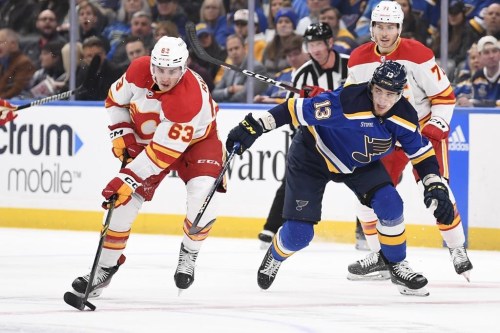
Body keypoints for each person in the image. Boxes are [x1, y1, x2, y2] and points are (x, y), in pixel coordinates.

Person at [226, 61, 455, 297]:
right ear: (371, 87)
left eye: (390, 94)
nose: (382, 100)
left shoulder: (405, 116)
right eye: (378, 91)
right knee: (298, 235)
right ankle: (275, 255)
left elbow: (421, 152)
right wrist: (253, 126)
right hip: (312, 155)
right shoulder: (346, 101)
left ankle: (397, 265)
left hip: (358, 164)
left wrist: (433, 182)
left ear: (400, 94)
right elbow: (292, 109)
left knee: (391, 203)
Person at [68, 36, 226, 298]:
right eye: (160, 69)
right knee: (121, 203)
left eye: (173, 71)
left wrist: (126, 178)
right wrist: (122, 134)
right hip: (153, 142)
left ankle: (189, 252)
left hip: (198, 142)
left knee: (203, 200)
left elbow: (161, 155)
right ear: (152, 64)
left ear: (184, 67)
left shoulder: (187, 98)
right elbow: (114, 101)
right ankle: (104, 268)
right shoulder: (137, 69)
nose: (165, 77)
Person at [345, 0, 473, 282]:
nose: (385, 32)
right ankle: (380, 255)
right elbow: (349, 100)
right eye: (380, 25)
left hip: (421, 131)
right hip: (387, 134)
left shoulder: (418, 53)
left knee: (437, 193)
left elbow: (444, 97)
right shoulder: (357, 59)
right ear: (372, 28)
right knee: (366, 195)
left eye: (391, 26)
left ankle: (456, 248)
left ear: (399, 28)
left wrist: (437, 125)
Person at [257, 22, 349, 249]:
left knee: (365, 181)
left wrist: (325, 97)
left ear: (330, 42)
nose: (315, 49)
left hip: (348, 137)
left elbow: (356, 101)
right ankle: (271, 227)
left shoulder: (351, 66)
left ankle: (363, 232)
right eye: (311, 44)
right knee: (290, 178)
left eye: (319, 43)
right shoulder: (303, 74)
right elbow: (294, 112)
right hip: (314, 139)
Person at [211, 34, 268, 103]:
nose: (234, 52)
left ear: (244, 49)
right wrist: (230, 90)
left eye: (236, 48)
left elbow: (246, 95)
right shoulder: (229, 69)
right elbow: (214, 94)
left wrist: (227, 100)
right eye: (230, 50)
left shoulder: (256, 68)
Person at [0, 28, 36, 99]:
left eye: (0, 42)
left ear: (13, 44)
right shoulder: (2, 61)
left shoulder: (24, 62)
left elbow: (17, 90)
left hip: (17, 102)